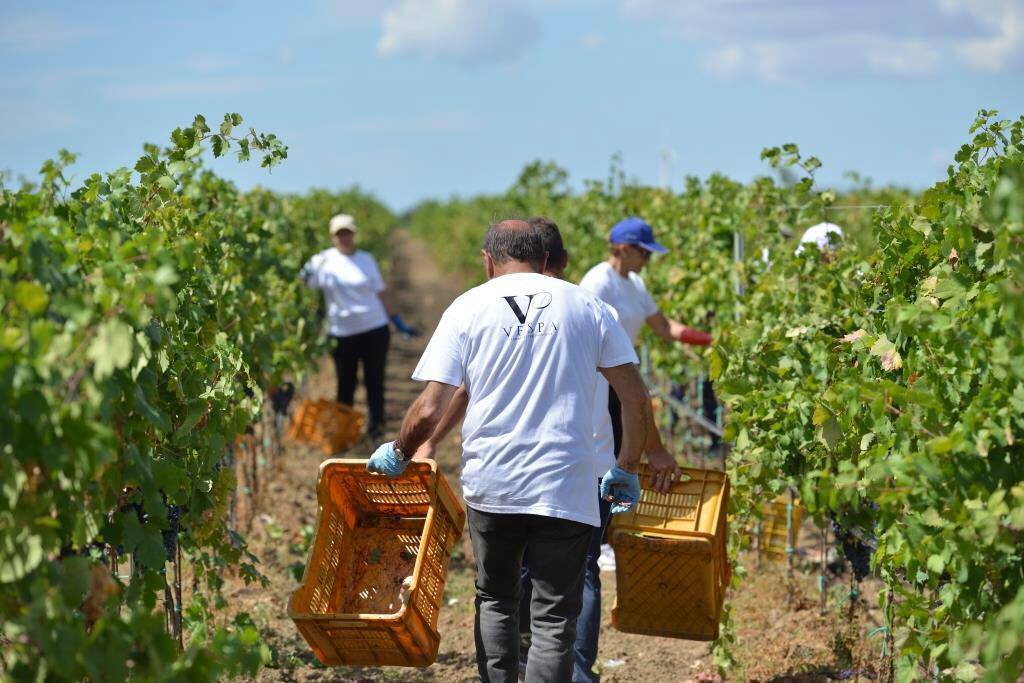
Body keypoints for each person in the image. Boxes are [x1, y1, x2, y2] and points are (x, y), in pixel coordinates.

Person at [365, 219, 651, 683]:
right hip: (566, 485)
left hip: (492, 485)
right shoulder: (589, 306)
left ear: (487, 260)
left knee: (496, 599)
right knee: (554, 618)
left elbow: (430, 407)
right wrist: (626, 467)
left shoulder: (467, 307)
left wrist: (400, 450)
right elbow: (636, 399)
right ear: (545, 260)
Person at [300, 213, 415, 439]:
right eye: (339, 233)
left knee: (375, 382)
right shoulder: (322, 261)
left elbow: (380, 292)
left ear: (353, 234)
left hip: (374, 328)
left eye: (348, 232)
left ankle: (376, 430)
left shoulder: (366, 259)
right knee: (345, 385)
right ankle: (345, 433)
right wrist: (306, 271)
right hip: (342, 333)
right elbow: (306, 282)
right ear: (332, 236)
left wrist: (396, 320)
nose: (344, 237)